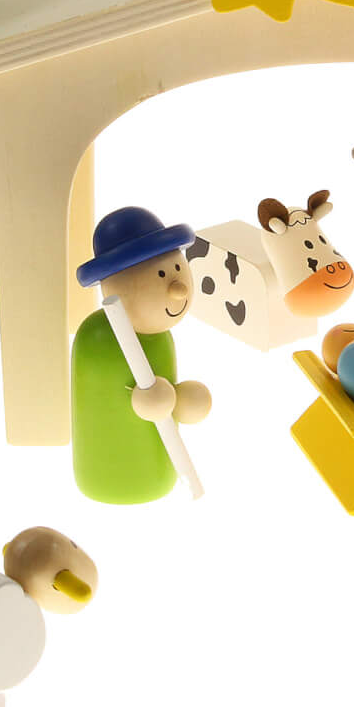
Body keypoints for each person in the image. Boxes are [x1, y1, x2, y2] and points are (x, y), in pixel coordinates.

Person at [72, 207, 211, 504]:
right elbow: (100, 407)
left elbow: (169, 402)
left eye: (176, 270)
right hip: (102, 474)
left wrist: (182, 400)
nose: (178, 289)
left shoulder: (161, 338)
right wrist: (148, 402)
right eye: (161, 275)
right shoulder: (95, 340)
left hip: (157, 472)